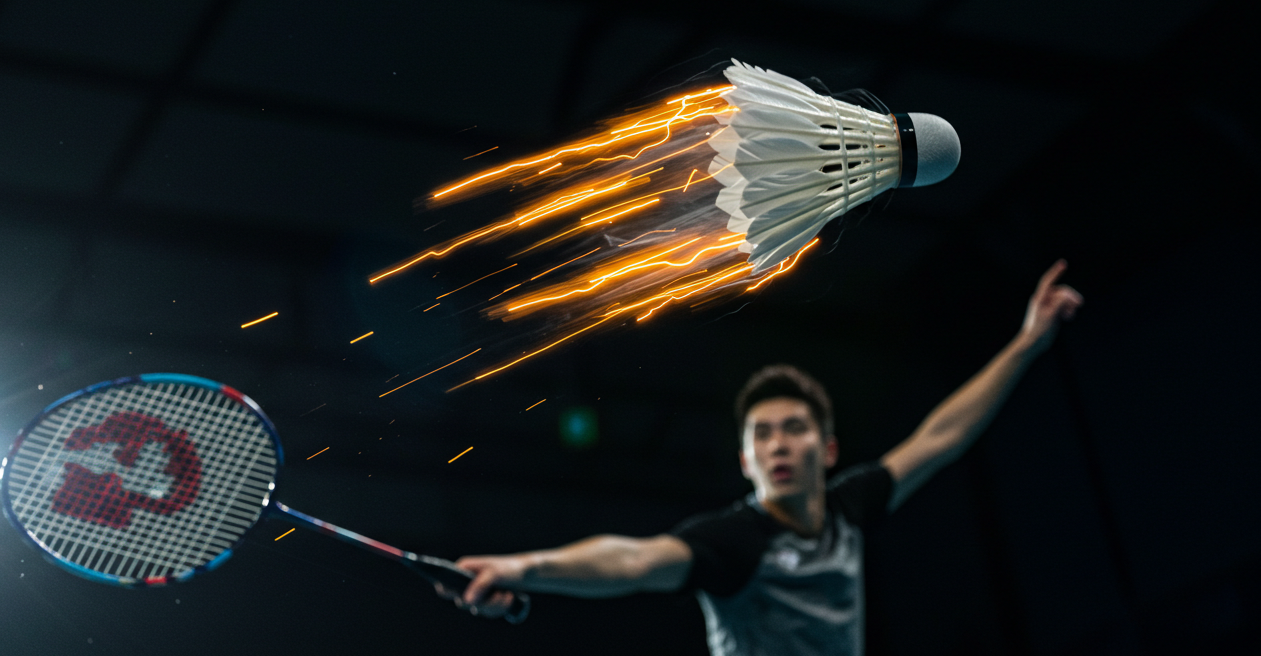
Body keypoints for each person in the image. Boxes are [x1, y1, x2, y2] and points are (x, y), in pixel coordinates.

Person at [441, 260, 1083, 656]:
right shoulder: (734, 542)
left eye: (794, 430)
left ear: (827, 450)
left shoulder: (851, 507)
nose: (778, 444)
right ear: (747, 462)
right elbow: (634, 560)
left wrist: (1028, 342)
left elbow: (942, 436)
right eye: (763, 436)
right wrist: (524, 566)